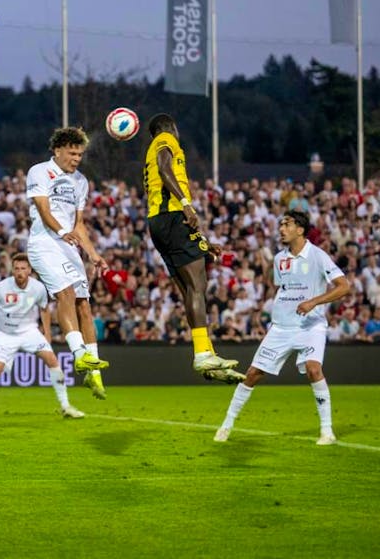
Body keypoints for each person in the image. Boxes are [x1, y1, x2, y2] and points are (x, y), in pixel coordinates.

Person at [214, 211, 350, 445]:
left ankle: (327, 431)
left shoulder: (318, 256)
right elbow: (282, 289)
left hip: (310, 325)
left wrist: (313, 302)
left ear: (300, 229)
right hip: (281, 327)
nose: (281, 228)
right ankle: (226, 425)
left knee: (313, 369)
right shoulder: (279, 259)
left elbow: (343, 286)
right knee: (252, 375)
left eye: (287, 224)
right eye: (280, 224)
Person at [142, 113, 242, 383]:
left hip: (160, 223)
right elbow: (165, 170)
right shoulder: (165, 140)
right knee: (198, 286)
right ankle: (202, 354)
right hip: (173, 217)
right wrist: (186, 202)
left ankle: (207, 354)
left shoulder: (152, 149)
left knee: (189, 289)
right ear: (171, 127)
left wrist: (203, 241)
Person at [25, 127, 109, 399]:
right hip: (45, 243)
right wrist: (62, 233)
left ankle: (93, 374)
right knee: (66, 294)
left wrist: (93, 254)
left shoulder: (81, 181)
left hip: (69, 246)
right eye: (72, 153)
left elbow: (79, 225)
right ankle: (78, 354)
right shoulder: (39, 171)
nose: (76, 159)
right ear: (57, 150)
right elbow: (43, 209)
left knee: (84, 305)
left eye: (80, 154)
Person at [0, 253, 85, 421]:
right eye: (17, 268)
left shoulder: (38, 288)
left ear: (29, 270)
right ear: (12, 270)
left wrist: (47, 332)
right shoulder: (1, 288)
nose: (20, 272)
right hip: (5, 333)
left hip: (29, 331)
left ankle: (65, 406)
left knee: (52, 359)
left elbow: (44, 309)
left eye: (23, 268)